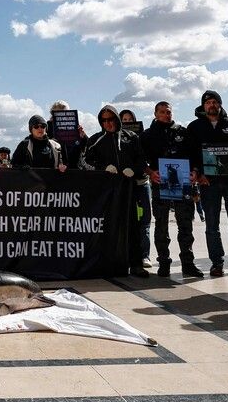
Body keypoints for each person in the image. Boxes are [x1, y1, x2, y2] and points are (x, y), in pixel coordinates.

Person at [187, 90, 228, 278]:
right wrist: (198, 173)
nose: (212, 105)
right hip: (208, 183)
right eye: (208, 102)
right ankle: (217, 263)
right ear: (203, 106)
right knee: (212, 226)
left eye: (215, 102)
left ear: (220, 104)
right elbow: (191, 153)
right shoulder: (195, 127)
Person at [81, 104, 149, 277]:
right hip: (106, 192)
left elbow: (141, 159)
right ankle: (108, 264)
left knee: (133, 226)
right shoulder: (95, 140)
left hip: (129, 189)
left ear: (117, 119)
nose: (108, 123)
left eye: (111, 119)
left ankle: (136, 263)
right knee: (107, 228)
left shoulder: (131, 137)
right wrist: (103, 167)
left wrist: (134, 170)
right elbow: (84, 162)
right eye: (104, 120)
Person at [141, 102, 202, 278]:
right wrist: (150, 172)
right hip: (160, 184)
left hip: (183, 185)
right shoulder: (147, 135)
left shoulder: (183, 132)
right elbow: (140, 160)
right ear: (155, 113)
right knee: (161, 226)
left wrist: (195, 172)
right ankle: (164, 263)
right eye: (162, 112)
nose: (166, 115)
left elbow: (195, 155)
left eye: (168, 112)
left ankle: (188, 263)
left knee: (185, 225)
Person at [119, 109, 153, 269]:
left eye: (129, 119)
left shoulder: (142, 137)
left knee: (145, 221)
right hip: (126, 186)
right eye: (123, 119)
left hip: (141, 183)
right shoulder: (117, 139)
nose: (126, 122)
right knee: (128, 222)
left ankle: (145, 255)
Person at [49, 100, 87, 168]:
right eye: (59, 113)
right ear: (53, 114)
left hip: (76, 167)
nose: (62, 116)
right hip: (58, 168)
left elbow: (86, 146)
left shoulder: (75, 127)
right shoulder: (46, 128)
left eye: (65, 113)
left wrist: (82, 136)